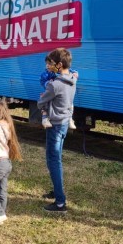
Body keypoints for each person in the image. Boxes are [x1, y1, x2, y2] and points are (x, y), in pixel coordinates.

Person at [37, 48, 77, 213]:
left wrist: (43, 104)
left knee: (53, 161)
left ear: (59, 65)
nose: (49, 66)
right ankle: (56, 189)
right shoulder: (72, 79)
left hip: (54, 125)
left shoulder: (55, 85)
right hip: (64, 123)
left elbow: (41, 102)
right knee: (56, 159)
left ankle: (60, 203)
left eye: (51, 64)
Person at [39, 59, 78, 130]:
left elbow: (69, 70)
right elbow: (43, 82)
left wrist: (75, 72)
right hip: (50, 92)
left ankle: (70, 118)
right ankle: (45, 119)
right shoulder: (45, 74)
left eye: (50, 64)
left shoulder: (58, 71)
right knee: (45, 103)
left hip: (59, 93)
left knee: (70, 103)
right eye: (47, 64)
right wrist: (48, 83)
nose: (48, 66)